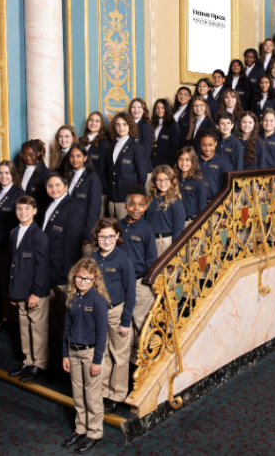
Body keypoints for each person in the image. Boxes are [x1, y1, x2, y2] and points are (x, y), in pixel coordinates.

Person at [61, 258, 110, 453]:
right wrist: (65, 354)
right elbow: (66, 328)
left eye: (87, 279)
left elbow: (102, 334)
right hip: (73, 351)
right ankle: (80, 428)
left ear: (95, 279)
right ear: (74, 277)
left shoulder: (98, 301)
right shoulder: (72, 297)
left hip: (90, 354)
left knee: (92, 396)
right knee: (78, 394)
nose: (82, 281)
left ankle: (94, 432)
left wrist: (97, 361)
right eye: (79, 277)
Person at [90, 218, 136, 414]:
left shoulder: (123, 259)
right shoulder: (92, 258)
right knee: (103, 353)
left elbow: (131, 293)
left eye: (110, 236)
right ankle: (104, 391)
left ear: (117, 236)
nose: (106, 240)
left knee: (120, 355)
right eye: (102, 237)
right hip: (98, 313)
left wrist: (126, 321)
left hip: (117, 312)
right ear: (97, 237)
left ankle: (118, 394)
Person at [8, 196, 50, 382]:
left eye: (27, 208)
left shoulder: (39, 235)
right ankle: (28, 359)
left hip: (35, 291)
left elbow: (42, 267)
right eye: (19, 209)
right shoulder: (13, 233)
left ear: (34, 211)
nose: (23, 212)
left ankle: (39, 363)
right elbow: (13, 264)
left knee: (37, 328)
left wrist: (36, 292)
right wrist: (12, 291)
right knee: (24, 327)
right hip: (19, 289)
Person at [42, 173, 84, 340]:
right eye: (50, 186)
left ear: (66, 187)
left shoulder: (73, 208)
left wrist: (67, 272)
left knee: (64, 311)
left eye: (58, 185)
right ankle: (54, 341)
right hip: (48, 267)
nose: (54, 189)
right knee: (53, 312)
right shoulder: (50, 205)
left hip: (62, 270)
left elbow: (73, 244)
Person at [118, 185, 157, 362]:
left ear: (146, 206)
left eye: (140, 205)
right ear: (125, 205)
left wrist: (149, 283)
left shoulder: (146, 229)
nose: (136, 208)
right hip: (120, 283)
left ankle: (144, 360)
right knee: (125, 322)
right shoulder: (118, 225)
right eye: (132, 204)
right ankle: (128, 360)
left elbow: (151, 259)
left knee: (141, 322)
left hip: (139, 283)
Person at [0, 160, 25, 329]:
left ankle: (16, 319)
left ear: (13, 175)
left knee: (14, 283)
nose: (3, 176)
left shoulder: (18, 194)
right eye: (0, 173)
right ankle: (6, 317)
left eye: (6, 173)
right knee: (2, 283)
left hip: (11, 247)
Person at [106, 112, 146, 220]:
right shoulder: (111, 147)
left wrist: (135, 198)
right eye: (118, 124)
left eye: (124, 124)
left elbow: (142, 176)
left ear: (130, 126)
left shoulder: (136, 148)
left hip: (126, 199)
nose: (121, 128)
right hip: (112, 199)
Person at [66, 144, 102, 256]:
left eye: (78, 156)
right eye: (72, 156)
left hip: (82, 231)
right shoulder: (66, 176)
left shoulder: (92, 178)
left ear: (85, 158)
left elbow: (94, 208)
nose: (75, 159)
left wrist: (88, 234)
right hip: (68, 228)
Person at [147, 165, 186, 256]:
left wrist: (174, 250)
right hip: (151, 241)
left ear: (172, 181)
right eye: (159, 180)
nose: (162, 183)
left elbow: (178, 229)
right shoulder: (151, 199)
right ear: (154, 181)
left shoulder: (175, 202)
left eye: (166, 179)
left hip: (165, 242)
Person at [80, 111, 111, 197]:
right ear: (87, 123)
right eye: (91, 120)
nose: (93, 123)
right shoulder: (79, 142)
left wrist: (88, 183)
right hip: (79, 187)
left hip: (96, 188)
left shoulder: (104, 144)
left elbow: (102, 170)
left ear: (101, 125)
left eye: (97, 121)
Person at [197, 128, 232, 202]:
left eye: (210, 145)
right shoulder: (195, 161)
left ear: (216, 143)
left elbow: (226, 187)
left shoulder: (223, 163)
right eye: (204, 145)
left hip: (214, 203)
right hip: (197, 202)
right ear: (199, 144)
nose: (207, 149)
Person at [18, 138, 50, 217]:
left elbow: (46, 201)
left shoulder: (46, 173)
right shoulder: (19, 172)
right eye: (25, 155)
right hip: (21, 215)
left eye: (31, 155)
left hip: (37, 216)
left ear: (38, 153)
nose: (28, 158)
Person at [175, 147, 207, 224]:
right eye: (181, 159)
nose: (183, 163)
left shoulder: (198, 182)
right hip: (174, 222)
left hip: (190, 223)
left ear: (193, 162)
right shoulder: (173, 179)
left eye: (187, 160)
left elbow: (202, 208)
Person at [151, 99, 180, 168]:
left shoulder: (173, 125)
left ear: (167, 109)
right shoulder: (153, 124)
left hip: (166, 165)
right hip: (152, 164)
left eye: (162, 107)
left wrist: (171, 166)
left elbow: (175, 149)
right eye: (157, 107)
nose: (159, 110)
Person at [128, 98, 153, 178]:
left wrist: (139, 168)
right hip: (129, 167)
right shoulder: (127, 125)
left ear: (144, 110)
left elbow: (146, 151)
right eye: (133, 107)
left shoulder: (146, 127)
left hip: (141, 169)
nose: (136, 110)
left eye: (139, 107)